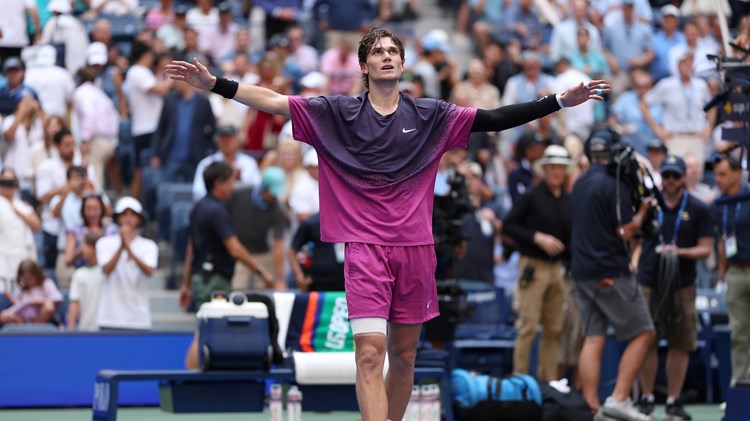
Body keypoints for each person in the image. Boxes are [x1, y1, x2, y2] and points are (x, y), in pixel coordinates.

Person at [166, 26, 606, 421]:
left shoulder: (433, 116)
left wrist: (556, 102)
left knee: (405, 353)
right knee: (370, 355)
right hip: (365, 248)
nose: (387, 55)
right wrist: (216, 85)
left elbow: (493, 120)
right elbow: (275, 102)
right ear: (364, 65)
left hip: (416, 248)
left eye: (394, 50)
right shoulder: (335, 113)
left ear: (402, 62)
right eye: (378, 51)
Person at [571, 129, 655, 421]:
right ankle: (619, 399)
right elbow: (624, 230)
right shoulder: (613, 182)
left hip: (581, 271)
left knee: (594, 337)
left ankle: (591, 407)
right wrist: (643, 211)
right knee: (644, 332)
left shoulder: (579, 182)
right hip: (608, 270)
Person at [636, 154, 712, 420]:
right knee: (647, 339)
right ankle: (646, 397)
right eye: (666, 175)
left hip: (683, 282)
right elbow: (634, 235)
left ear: (683, 178)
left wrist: (679, 252)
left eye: (674, 176)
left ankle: (673, 399)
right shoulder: (649, 204)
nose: (669, 180)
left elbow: (706, 249)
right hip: (648, 279)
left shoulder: (699, 208)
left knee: (681, 341)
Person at [181, 161, 277, 368]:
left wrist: (186, 282)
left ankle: (194, 377)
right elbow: (235, 248)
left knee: (203, 327)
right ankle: (190, 377)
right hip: (214, 278)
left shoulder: (199, 207)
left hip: (201, 276)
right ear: (219, 183)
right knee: (204, 329)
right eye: (230, 181)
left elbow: (191, 248)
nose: (233, 187)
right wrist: (262, 272)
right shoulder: (217, 211)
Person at [503, 145, 573, 382]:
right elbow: (508, 226)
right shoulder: (531, 196)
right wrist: (536, 237)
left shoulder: (567, 200)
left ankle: (548, 382)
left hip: (557, 269)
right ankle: (520, 382)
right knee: (528, 327)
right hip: (533, 265)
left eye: (561, 168)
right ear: (544, 170)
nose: (556, 172)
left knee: (554, 329)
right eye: (553, 167)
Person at [713, 153, 750, 387]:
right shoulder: (720, 205)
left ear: (738, 174)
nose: (718, 179)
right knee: (738, 331)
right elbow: (721, 239)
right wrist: (722, 272)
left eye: (723, 174)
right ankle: (740, 384)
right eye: (716, 174)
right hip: (735, 272)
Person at [96, 197, 158, 331]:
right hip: (110, 317)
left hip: (138, 318)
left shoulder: (149, 246)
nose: (128, 219)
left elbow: (149, 271)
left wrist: (129, 249)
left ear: (139, 219)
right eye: (124, 214)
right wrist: (121, 246)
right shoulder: (104, 243)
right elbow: (106, 270)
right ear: (118, 218)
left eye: (133, 214)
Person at [0, 169, 40, 286]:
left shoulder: (22, 205)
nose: (8, 186)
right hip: (3, 256)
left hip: (22, 256)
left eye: (11, 182)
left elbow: (36, 225)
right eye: (5, 182)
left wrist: (16, 210)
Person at [0, 259, 63, 325]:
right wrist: (10, 296)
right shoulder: (22, 290)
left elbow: (57, 299)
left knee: (49, 306)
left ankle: (33, 328)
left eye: (30, 278)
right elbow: (18, 305)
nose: (28, 281)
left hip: (41, 318)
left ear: (36, 274)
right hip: (23, 319)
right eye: (25, 279)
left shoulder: (46, 283)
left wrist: (38, 302)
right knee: (4, 315)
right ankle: (26, 328)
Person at [67, 233, 103, 331]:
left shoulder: (107, 272)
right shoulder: (78, 274)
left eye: (85, 245)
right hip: (85, 329)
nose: (82, 249)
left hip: (105, 330)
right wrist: (71, 329)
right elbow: (75, 302)